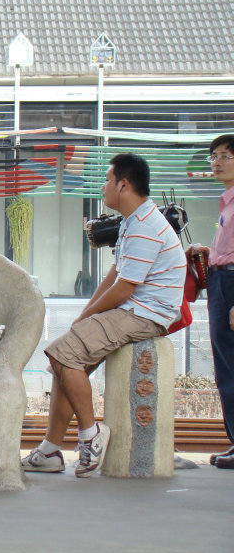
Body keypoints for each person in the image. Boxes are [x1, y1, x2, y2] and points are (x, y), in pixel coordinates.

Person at [21, 153, 185, 478]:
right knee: (63, 363)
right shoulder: (133, 221)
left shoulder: (145, 226)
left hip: (145, 313)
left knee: (64, 354)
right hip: (134, 308)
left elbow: (124, 289)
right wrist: (85, 314)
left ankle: (90, 435)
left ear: (124, 184)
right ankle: (51, 450)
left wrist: (89, 315)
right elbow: (114, 274)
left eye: (108, 180)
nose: (103, 186)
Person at [189, 135, 234, 469]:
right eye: (213, 156)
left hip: (231, 285)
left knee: (231, 369)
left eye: (225, 156)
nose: (216, 162)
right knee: (225, 369)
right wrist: (209, 253)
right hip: (221, 279)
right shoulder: (226, 202)